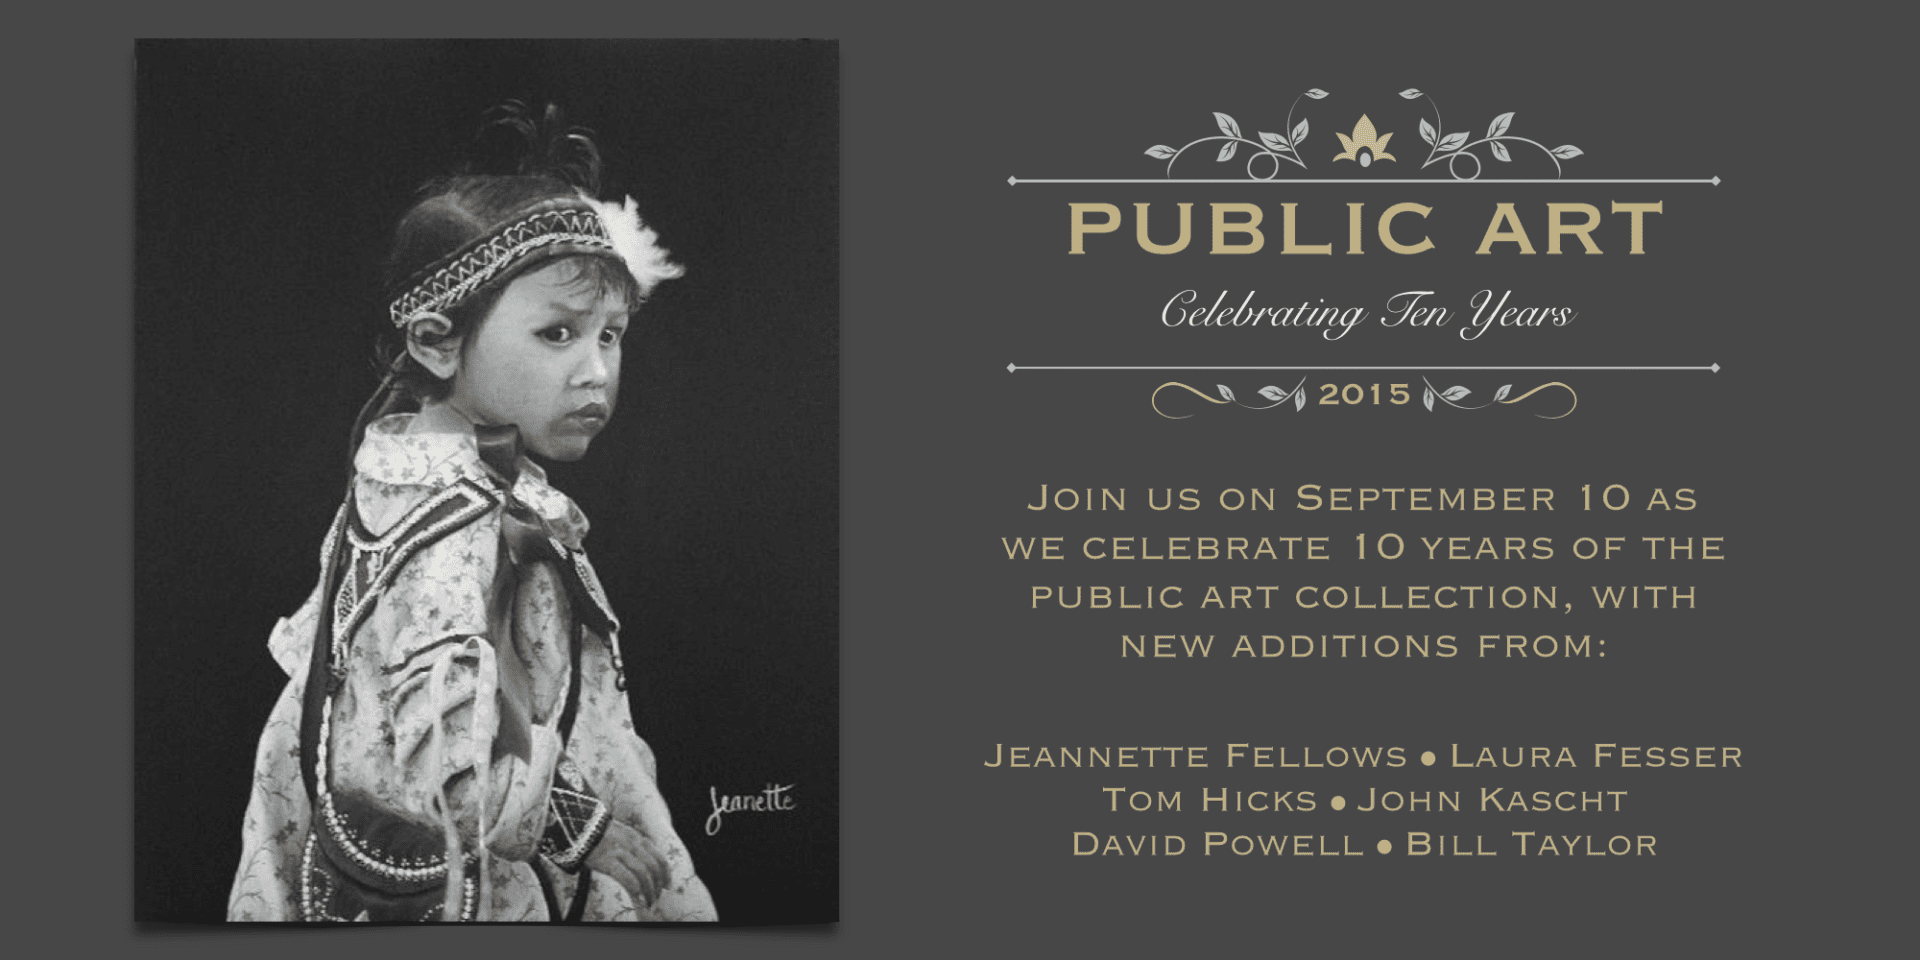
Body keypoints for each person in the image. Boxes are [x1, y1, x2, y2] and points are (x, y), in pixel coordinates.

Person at [228, 103, 717, 922]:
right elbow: (442, 775)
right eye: (558, 333)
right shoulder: (452, 530)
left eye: (613, 334)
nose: (596, 371)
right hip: (472, 879)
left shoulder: (406, 475)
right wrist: (574, 826)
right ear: (435, 340)